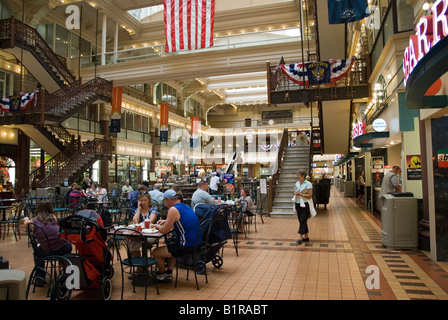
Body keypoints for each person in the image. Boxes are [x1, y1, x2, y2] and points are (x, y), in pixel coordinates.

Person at [151, 189, 202, 281]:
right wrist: (166, 221)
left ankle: (162, 274)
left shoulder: (173, 209)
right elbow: (182, 222)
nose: (164, 204)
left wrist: (156, 226)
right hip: (196, 244)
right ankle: (169, 273)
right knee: (171, 245)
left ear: (167, 200)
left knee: (155, 252)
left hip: (187, 246)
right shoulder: (185, 206)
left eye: (164, 201)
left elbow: (165, 230)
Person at [23, 201, 72, 285]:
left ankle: (40, 277)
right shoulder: (53, 217)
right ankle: (64, 271)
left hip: (46, 252)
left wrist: (26, 219)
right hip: (61, 249)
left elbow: (25, 224)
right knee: (69, 246)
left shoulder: (33, 222)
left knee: (37, 253)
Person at [294, 169, 313, 245]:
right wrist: (295, 193)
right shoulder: (297, 183)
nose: (297, 176)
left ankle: (300, 237)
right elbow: (294, 191)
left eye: (298, 175)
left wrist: (301, 195)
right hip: (298, 203)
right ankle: (306, 236)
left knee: (302, 219)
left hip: (305, 204)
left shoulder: (308, 184)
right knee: (301, 220)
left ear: (303, 176)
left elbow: (310, 195)